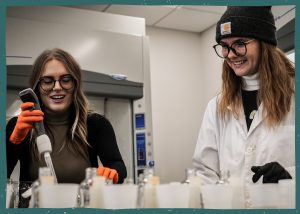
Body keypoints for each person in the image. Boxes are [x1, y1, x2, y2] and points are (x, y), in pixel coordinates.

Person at [193, 6, 294, 190]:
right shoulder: (216, 107)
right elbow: (205, 172)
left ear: (265, 43)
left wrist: (291, 176)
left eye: (240, 43)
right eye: (224, 46)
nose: (231, 54)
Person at [6, 48, 127, 186]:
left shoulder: (96, 123)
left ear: (75, 84)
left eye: (66, 79)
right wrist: (14, 141)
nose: (57, 87)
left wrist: (112, 173)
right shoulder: (19, 125)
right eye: (47, 81)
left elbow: (117, 165)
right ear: (37, 86)